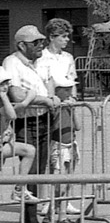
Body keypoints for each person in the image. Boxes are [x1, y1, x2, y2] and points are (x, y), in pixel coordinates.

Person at [3, 26, 70, 223]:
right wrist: (45, 100)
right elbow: (16, 94)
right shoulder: (12, 63)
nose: (40, 45)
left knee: (39, 170)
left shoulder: (42, 62)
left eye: (41, 41)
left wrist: (50, 100)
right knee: (30, 170)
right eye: (35, 43)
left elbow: (49, 84)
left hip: (43, 120)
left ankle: (34, 220)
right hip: (25, 121)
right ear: (22, 45)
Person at [37, 18, 80, 190]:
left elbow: (73, 81)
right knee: (51, 155)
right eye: (63, 36)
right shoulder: (41, 57)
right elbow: (43, 83)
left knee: (69, 152)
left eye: (67, 36)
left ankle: (64, 197)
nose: (67, 40)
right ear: (52, 37)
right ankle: (48, 197)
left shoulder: (68, 57)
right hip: (49, 107)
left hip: (66, 107)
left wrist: (73, 100)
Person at [0, 72, 38, 223]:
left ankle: (19, 188)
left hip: (2, 146)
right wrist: (3, 96)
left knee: (29, 150)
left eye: (7, 83)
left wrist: (24, 101)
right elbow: (12, 115)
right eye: (2, 84)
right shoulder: (3, 101)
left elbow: (33, 91)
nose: (5, 87)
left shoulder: (5, 99)